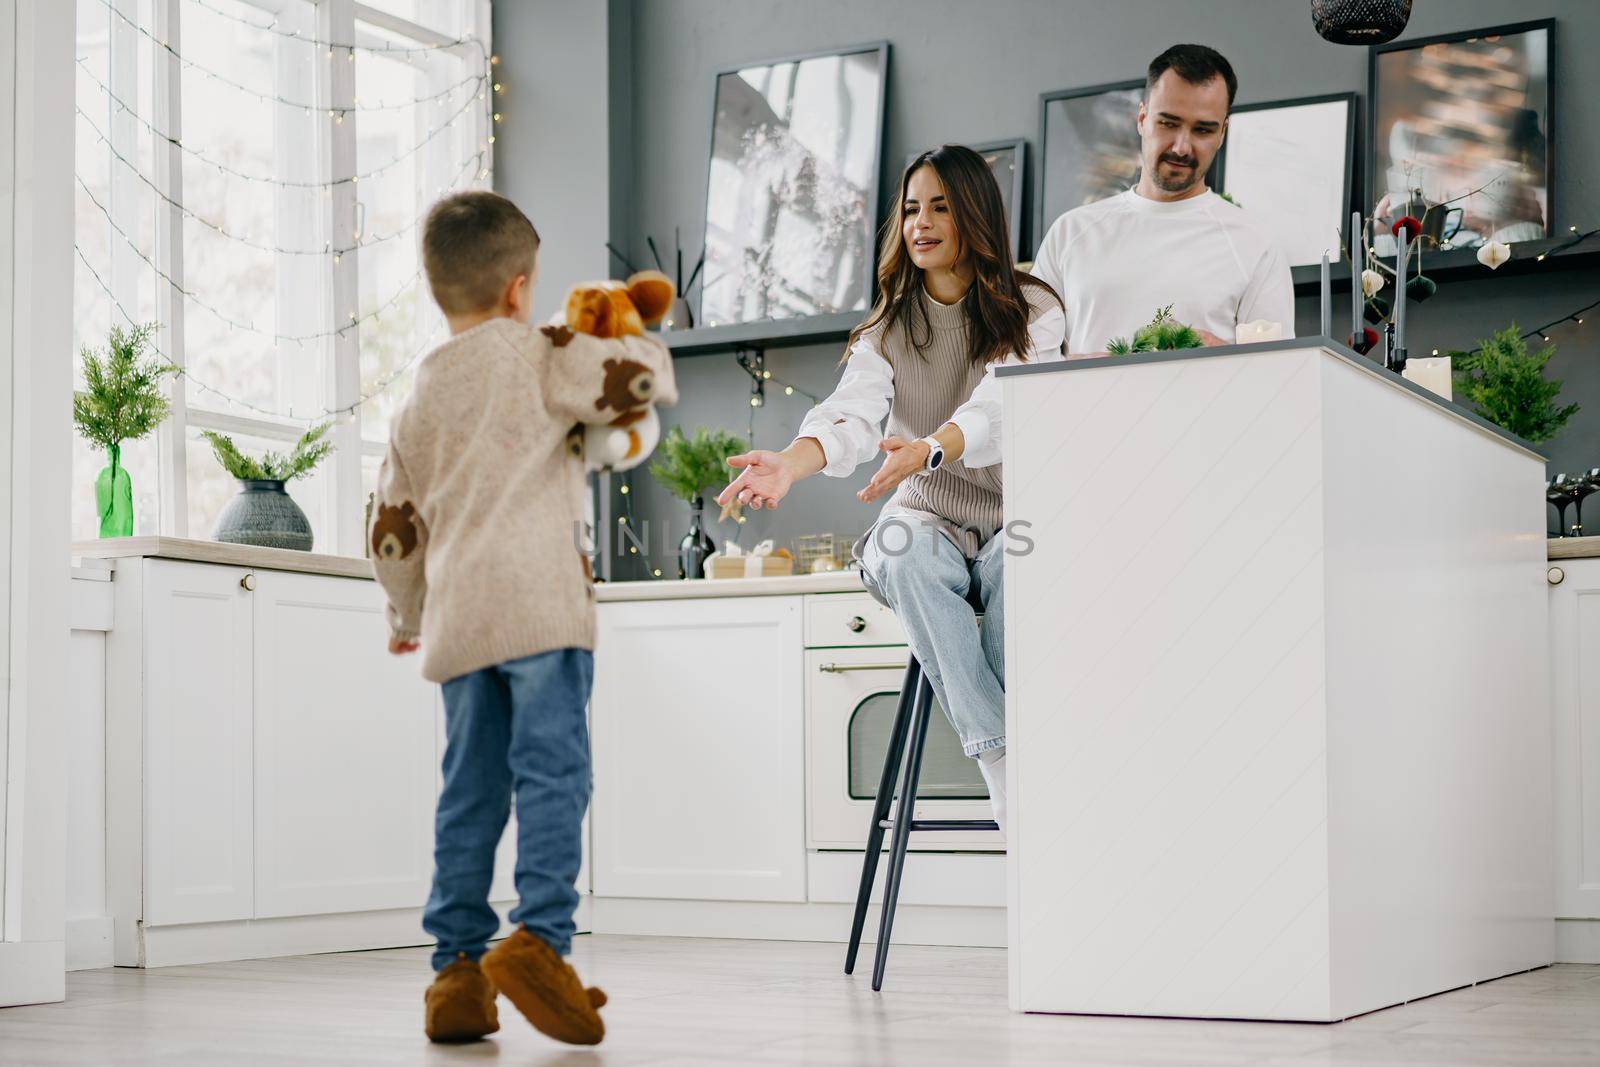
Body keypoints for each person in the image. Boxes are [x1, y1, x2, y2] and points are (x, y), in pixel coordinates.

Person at [370, 190, 676, 1046]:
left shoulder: (419, 394)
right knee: (554, 776)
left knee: (470, 790)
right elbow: (640, 384)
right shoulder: (544, 350)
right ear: (517, 289)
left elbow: (392, 527)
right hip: (542, 607)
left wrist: (408, 611)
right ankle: (540, 939)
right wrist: (632, 332)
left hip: (462, 621)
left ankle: (456, 971)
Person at [715, 144, 1066, 832]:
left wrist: (932, 446)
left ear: (976, 215)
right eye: (910, 208)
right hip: (925, 519)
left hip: (1010, 517)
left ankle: (1027, 756)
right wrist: (791, 460)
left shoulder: (1033, 308)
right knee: (900, 546)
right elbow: (850, 412)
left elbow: (1004, 404)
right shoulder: (888, 324)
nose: (920, 222)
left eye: (939, 206)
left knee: (1025, 570)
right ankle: (1001, 755)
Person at [1031, 44, 1295, 354]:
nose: (1182, 147)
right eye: (1168, 123)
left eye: (1203, 130)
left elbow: (1276, 376)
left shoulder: (1256, 245)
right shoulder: (1070, 233)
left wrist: (1220, 354)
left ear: (1222, 133)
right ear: (1142, 118)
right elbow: (1025, 360)